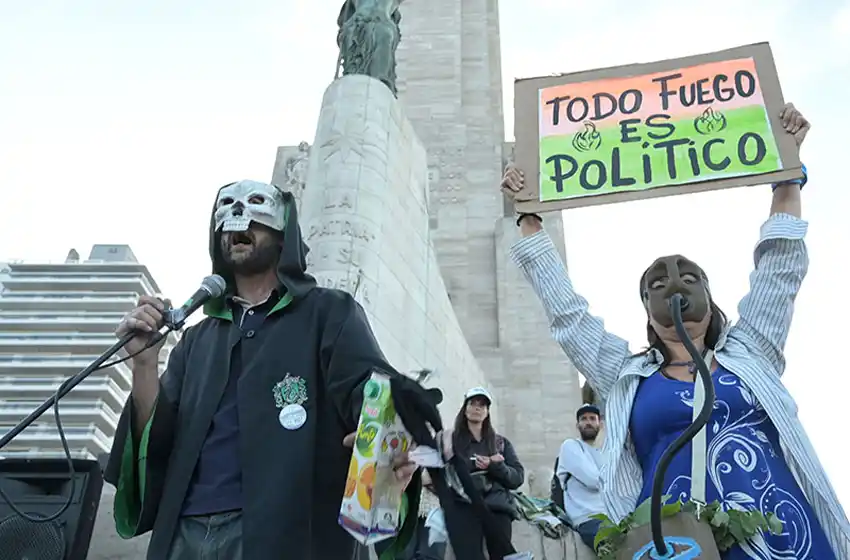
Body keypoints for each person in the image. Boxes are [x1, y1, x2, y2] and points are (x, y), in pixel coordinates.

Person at [502, 104, 850, 558]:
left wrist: (787, 174)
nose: (673, 284)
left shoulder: (752, 350)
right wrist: (529, 218)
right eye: (657, 283)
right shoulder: (626, 374)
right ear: (646, 309)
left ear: (709, 292)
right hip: (676, 541)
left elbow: (779, 268)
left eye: (689, 277)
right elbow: (569, 317)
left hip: (780, 534)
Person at [102, 180, 424, 560]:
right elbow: (157, 437)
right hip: (184, 533)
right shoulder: (196, 339)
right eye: (228, 209)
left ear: (282, 229)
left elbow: (374, 395)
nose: (239, 218)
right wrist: (143, 364)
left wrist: (388, 446)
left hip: (289, 534)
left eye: (256, 206)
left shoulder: (329, 313)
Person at [445, 387, 524, 559]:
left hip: (497, 506)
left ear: (487, 412)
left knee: (502, 554)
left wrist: (495, 466)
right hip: (465, 504)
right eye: (472, 403)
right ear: (464, 409)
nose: (477, 408)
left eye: (482, 405)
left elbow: (517, 478)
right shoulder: (451, 442)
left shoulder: (501, 443)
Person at [556, 403, 605, 551]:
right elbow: (593, 480)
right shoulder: (570, 446)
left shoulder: (605, 452)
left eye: (592, 418)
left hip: (615, 517)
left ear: (600, 424)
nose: (588, 422)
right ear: (577, 425)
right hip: (588, 519)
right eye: (584, 419)